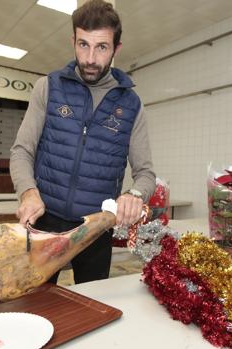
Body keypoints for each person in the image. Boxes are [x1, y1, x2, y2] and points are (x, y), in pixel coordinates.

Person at [10, 0, 155, 284]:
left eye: (101, 47)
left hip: (95, 229)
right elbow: (22, 151)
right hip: (45, 222)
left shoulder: (131, 104)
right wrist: (28, 192)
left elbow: (146, 174)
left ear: (116, 49)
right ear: (73, 41)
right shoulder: (48, 88)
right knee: (37, 303)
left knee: (92, 309)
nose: (90, 58)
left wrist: (134, 196)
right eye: (83, 45)